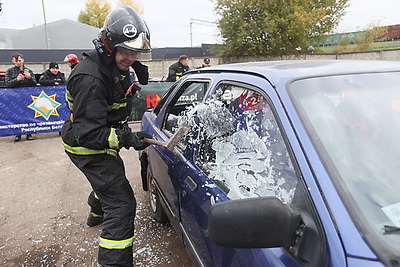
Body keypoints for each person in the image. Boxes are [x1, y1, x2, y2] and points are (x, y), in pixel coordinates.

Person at [61, 6, 153, 266]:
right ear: (108, 46)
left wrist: (130, 84)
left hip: (98, 138)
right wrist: (126, 138)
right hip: (87, 148)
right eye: (125, 51)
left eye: (135, 52)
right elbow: (88, 135)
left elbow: (109, 106)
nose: (131, 57)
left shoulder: (113, 66)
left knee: (109, 184)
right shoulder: (91, 78)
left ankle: (94, 213)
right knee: (122, 205)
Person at [5, 52, 37, 142]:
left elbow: (35, 83)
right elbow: (7, 83)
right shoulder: (10, 71)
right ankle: (17, 134)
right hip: (15, 97)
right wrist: (17, 80)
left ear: (23, 60)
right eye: (16, 61)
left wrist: (29, 78)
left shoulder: (29, 70)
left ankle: (29, 133)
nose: (18, 62)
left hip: (27, 96)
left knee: (28, 114)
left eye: (19, 60)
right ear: (13, 61)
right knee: (16, 115)